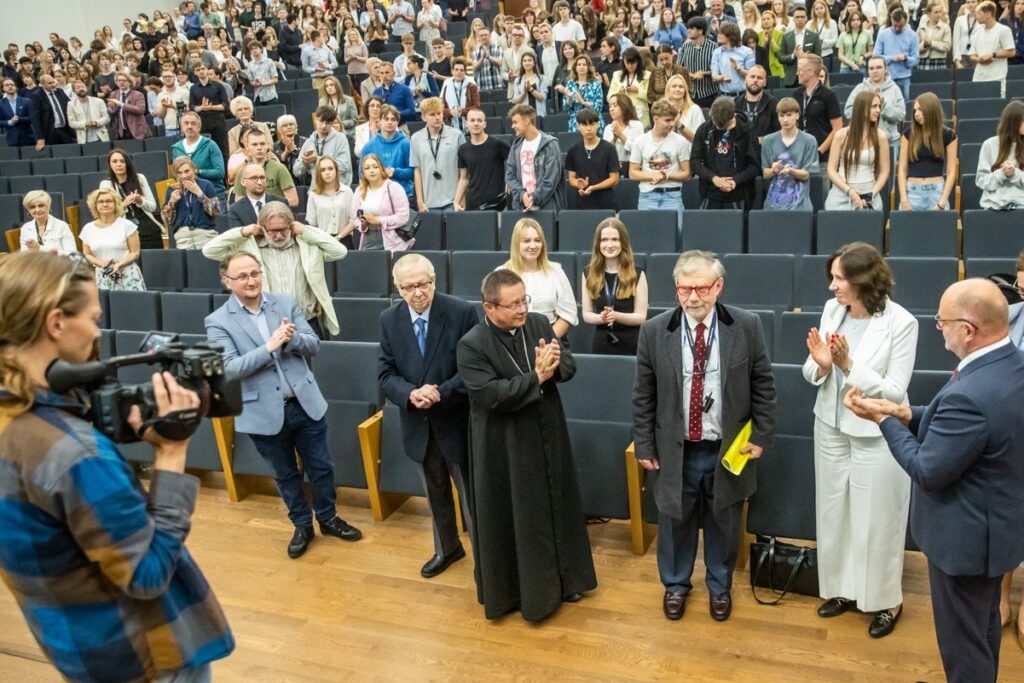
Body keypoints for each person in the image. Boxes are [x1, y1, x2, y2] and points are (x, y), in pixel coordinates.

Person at [0, 252, 234, 682]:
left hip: (77, 646)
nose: (96, 331)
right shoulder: (75, 454)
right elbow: (145, 574)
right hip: (145, 657)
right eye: (92, 318)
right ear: (56, 324)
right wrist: (171, 453)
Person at [844, 278, 1024, 682]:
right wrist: (906, 412)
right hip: (997, 530)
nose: (938, 327)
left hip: (965, 542)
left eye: (942, 322)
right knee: (982, 631)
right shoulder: (1008, 363)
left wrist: (884, 420)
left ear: (968, 330)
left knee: (964, 652)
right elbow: (966, 428)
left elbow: (927, 469)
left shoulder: (973, 392)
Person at [632, 249, 776, 622]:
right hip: (674, 449)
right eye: (685, 289)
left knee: (724, 522)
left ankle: (719, 586)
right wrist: (644, 444)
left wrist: (761, 435)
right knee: (674, 521)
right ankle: (676, 585)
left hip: (727, 447)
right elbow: (643, 394)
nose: (693, 297)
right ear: (676, 289)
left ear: (718, 287)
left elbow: (763, 386)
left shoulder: (747, 326)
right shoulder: (653, 330)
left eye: (701, 288)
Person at [456, 268, 597, 623]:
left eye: (524, 300)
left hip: (547, 431)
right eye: (513, 304)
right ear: (490, 309)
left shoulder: (536, 323)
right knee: (519, 514)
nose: (522, 309)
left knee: (556, 503)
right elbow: (490, 395)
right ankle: (523, 594)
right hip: (504, 444)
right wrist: (536, 377)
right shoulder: (471, 344)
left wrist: (554, 364)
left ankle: (567, 580)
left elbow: (568, 366)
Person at [206, 250, 362, 558]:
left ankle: (328, 518)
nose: (251, 280)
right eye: (242, 276)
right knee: (285, 474)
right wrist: (270, 347)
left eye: (255, 273)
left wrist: (291, 340)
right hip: (261, 410)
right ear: (226, 282)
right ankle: (302, 524)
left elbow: (314, 345)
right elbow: (228, 368)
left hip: (304, 402)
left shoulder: (285, 303)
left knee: (321, 467)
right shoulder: (218, 321)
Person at [802, 243, 918, 638]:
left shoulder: (901, 323)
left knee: (877, 520)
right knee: (833, 513)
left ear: (862, 282)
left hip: (876, 432)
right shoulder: (834, 309)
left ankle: (887, 600)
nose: (832, 286)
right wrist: (820, 367)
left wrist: (849, 366)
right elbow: (814, 367)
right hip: (829, 425)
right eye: (832, 277)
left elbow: (896, 392)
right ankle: (843, 589)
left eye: (840, 279)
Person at [378, 254, 480, 578]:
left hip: (457, 420)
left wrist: (441, 392)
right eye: (409, 287)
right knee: (435, 492)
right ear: (397, 288)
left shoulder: (462, 312)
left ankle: (488, 559)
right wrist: (410, 393)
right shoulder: (389, 320)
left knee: (473, 499)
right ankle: (447, 548)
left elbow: (475, 369)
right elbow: (385, 374)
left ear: (434, 280)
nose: (418, 293)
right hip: (417, 423)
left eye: (423, 284)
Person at [202, 202, 346, 339]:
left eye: (283, 229)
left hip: (306, 322)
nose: (278, 236)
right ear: (262, 228)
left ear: (292, 226)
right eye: (272, 231)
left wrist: (305, 230)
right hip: (267, 324)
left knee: (312, 365)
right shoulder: (247, 247)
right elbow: (209, 251)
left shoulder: (308, 245)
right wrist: (242, 232)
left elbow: (340, 251)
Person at [581, 217, 648, 355]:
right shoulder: (588, 273)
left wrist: (616, 316)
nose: (609, 245)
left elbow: (641, 316)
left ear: (623, 242)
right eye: (604, 240)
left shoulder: (638, 273)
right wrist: (603, 318)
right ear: (598, 243)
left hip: (632, 343)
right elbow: (586, 314)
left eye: (615, 239)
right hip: (601, 342)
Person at [501, 218, 578, 339]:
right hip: (512, 338)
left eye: (537, 240)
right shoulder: (501, 274)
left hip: (551, 338)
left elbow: (568, 315)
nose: (533, 246)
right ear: (516, 244)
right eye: (526, 241)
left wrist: (546, 341)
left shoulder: (556, 271)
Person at [690, 96, 761, 210]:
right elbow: (695, 161)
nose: (717, 127)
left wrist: (735, 181)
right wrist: (714, 178)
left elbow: (755, 166)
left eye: (722, 125)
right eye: (715, 122)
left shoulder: (747, 131)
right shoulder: (704, 129)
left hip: (739, 193)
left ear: (733, 116)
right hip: (710, 192)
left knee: (736, 227)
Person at [629, 98, 691, 229]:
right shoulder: (640, 141)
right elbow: (633, 173)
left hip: (673, 195)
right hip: (647, 196)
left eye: (673, 120)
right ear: (655, 119)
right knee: (646, 234)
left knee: (677, 234)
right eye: (667, 120)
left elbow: (687, 173)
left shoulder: (681, 141)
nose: (671, 124)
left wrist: (666, 176)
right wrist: (653, 176)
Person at [825, 90, 890, 210]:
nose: (878, 111)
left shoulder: (881, 136)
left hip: (869, 197)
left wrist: (871, 194)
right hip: (841, 196)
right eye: (874, 106)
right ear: (862, 108)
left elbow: (884, 172)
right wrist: (849, 191)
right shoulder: (841, 135)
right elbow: (831, 170)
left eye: (879, 106)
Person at [898, 93, 957, 211]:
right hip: (912, 192)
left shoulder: (949, 135)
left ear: (931, 110)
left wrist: (942, 202)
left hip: (937, 192)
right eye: (915, 111)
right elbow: (902, 169)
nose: (917, 114)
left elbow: (951, 171)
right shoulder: (908, 134)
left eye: (920, 109)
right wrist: (904, 199)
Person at [79, 188, 146, 291]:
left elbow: (135, 252)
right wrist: (100, 262)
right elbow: (87, 254)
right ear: (95, 205)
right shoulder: (88, 228)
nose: (105, 204)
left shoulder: (127, 225)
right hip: (103, 276)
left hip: (128, 275)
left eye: (109, 201)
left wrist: (119, 264)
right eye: (101, 201)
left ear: (116, 204)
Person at [762, 96, 821, 210]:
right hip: (773, 206)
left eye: (789, 115)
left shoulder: (809, 141)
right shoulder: (768, 141)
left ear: (797, 115)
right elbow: (765, 174)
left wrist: (791, 171)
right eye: (782, 116)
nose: (785, 120)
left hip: (800, 206)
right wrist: (773, 170)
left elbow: (806, 174)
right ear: (778, 118)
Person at [99, 148, 165, 250]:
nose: (119, 164)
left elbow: (153, 207)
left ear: (127, 163)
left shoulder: (140, 178)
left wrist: (141, 201)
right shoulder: (106, 184)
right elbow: (107, 214)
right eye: (114, 161)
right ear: (110, 165)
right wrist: (124, 204)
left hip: (148, 227)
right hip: (124, 231)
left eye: (122, 161)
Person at [411, 97, 466, 213]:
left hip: (453, 201)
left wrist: (461, 199)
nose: (437, 117)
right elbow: (417, 171)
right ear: (423, 117)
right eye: (432, 114)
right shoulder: (416, 138)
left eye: (439, 113)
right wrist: (420, 202)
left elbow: (464, 172)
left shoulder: (457, 135)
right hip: (428, 203)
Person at [506, 104, 564, 212]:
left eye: (515, 122)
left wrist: (534, 197)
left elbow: (551, 179)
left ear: (526, 121)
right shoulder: (516, 146)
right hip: (521, 207)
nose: (512, 126)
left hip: (547, 208)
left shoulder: (550, 144)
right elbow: (510, 175)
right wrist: (522, 194)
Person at [351, 153, 413, 251]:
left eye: (375, 167)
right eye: (367, 168)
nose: (371, 171)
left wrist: (378, 220)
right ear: (363, 172)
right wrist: (363, 224)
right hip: (369, 239)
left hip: (394, 241)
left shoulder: (394, 188)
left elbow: (403, 217)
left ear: (381, 168)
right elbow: (355, 218)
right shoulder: (359, 191)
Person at [565, 108, 620, 210]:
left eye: (592, 124)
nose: (589, 128)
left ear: (598, 125)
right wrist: (578, 184)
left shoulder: (609, 148)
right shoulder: (573, 150)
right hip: (582, 205)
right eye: (584, 125)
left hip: (607, 204)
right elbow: (571, 178)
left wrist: (593, 187)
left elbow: (614, 179)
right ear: (578, 126)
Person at [455, 108, 510, 211]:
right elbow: (463, 178)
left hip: (496, 203)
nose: (476, 123)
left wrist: (509, 181)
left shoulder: (497, 145)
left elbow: (515, 161)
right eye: (472, 120)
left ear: (485, 124)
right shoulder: (463, 149)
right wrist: (456, 201)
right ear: (467, 124)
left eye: (480, 120)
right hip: (472, 203)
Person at [163, 156, 222, 249]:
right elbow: (166, 219)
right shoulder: (171, 189)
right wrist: (171, 202)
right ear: (175, 174)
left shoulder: (206, 184)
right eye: (179, 173)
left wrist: (200, 193)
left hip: (205, 234)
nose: (184, 176)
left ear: (193, 170)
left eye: (187, 171)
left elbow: (216, 211)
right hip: (183, 237)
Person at [977, 100, 1024, 210]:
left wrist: (1014, 174)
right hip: (994, 207)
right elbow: (981, 180)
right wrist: (1002, 174)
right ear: (1013, 123)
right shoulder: (989, 145)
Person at [231, 128, 298, 206]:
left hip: (276, 213)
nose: (259, 148)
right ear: (247, 147)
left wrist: (267, 204)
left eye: (262, 144)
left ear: (267, 146)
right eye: (254, 144)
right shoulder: (242, 172)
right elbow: (239, 202)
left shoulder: (279, 168)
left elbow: (294, 201)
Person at [795, 54, 843, 161]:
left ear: (811, 72)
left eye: (799, 70)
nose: (797, 73)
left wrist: (819, 151)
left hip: (823, 157)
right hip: (801, 156)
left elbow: (837, 128)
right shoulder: (796, 94)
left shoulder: (828, 95)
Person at [360, 104, 414, 199]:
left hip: (403, 195)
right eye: (386, 119)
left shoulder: (406, 144)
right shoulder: (369, 146)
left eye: (393, 119)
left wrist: (396, 171)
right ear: (380, 121)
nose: (389, 122)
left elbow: (413, 172)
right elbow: (362, 173)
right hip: (377, 196)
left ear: (397, 122)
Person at [293, 106, 353, 187]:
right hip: (317, 191)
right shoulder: (309, 142)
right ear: (315, 120)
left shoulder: (340, 139)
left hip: (337, 190)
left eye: (328, 123)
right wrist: (304, 162)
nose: (324, 126)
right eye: (321, 121)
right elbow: (296, 172)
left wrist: (317, 159)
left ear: (332, 124)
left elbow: (344, 166)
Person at [306, 155, 356, 248]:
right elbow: (312, 224)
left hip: (345, 240)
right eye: (323, 170)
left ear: (336, 171)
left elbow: (353, 220)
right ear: (319, 173)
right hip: (323, 241)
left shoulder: (347, 191)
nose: (327, 173)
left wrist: (338, 237)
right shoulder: (314, 194)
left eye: (330, 169)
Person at [871, 9, 918, 102]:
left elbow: (916, 59)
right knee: (884, 103)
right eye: (895, 25)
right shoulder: (883, 34)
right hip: (886, 77)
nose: (897, 28)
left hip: (904, 77)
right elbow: (875, 56)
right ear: (891, 21)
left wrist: (906, 59)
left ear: (905, 22)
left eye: (900, 26)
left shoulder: (912, 35)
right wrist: (893, 58)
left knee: (904, 104)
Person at [971, 1, 1017, 94]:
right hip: (978, 77)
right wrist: (979, 59)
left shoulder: (1003, 30)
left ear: (988, 14)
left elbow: (1011, 52)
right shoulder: (977, 32)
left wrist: (992, 55)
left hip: (997, 77)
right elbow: (972, 55)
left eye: (979, 13)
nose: (976, 16)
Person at [188, 62, 230, 163]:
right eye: (198, 70)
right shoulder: (193, 88)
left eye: (203, 68)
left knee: (223, 151)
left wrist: (211, 107)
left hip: (218, 122)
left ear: (207, 70)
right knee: (204, 152)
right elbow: (192, 107)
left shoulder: (218, 86)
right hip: (202, 123)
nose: (201, 71)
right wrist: (202, 107)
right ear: (195, 73)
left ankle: (225, 177)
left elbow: (225, 105)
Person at [228, 160, 289, 229]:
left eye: (262, 178)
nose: (260, 182)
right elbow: (237, 237)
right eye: (254, 178)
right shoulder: (236, 209)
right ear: (243, 182)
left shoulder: (281, 203)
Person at [558, 55, 605, 133]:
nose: (581, 67)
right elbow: (566, 107)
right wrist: (569, 98)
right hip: (576, 123)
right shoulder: (570, 84)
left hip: (593, 121)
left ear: (588, 67)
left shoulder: (596, 83)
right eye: (579, 65)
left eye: (584, 65)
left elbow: (599, 107)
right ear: (575, 68)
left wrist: (583, 102)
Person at [735, 64, 779, 147]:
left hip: (764, 150)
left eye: (759, 78)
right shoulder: (736, 103)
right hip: (741, 152)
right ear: (745, 79)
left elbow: (780, 133)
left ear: (765, 82)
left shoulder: (773, 104)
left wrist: (761, 140)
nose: (755, 80)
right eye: (752, 77)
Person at [608, 47, 651, 128]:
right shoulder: (617, 75)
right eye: (627, 63)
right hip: (622, 117)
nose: (630, 66)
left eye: (633, 63)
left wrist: (638, 90)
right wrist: (618, 95)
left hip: (641, 117)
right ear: (623, 61)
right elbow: (609, 97)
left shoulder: (647, 75)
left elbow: (650, 98)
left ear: (638, 61)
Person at [28, 73, 74, 150]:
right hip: (50, 133)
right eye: (49, 83)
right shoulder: (36, 96)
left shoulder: (60, 92)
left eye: (53, 82)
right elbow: (35, 119)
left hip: (65, 130)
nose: (53, 85)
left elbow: (70, 105)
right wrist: (40, 138)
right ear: (42, 85)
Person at [779, 6, 823, 86]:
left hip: (809, 77)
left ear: (806, 18)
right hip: (791, 78)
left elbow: (819, 58)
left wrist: (807, 56)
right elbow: (781, 58)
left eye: (802, 17)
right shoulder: (786, 36)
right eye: (797, 17)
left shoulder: (814, 36)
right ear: (793, 19)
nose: (800, 19)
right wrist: (793, 56)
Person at [604, 92, 646, 172]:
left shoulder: (637, 125)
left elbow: (639, 151)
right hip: (612, 168)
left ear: (624, 106)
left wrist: (621, 136)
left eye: (615, 105)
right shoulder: (608, 128)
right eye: (610, 106)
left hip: (632, 168)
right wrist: (614, 139)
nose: (611, 109)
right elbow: (604, 154)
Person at [712, 24, 755, 98]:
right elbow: (714, 76)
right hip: (724, 96)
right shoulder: (717, 52)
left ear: (731, 36)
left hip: (742, 95)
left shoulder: (747, 51)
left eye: (722, 33)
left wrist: (738, 69)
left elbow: (751, 74)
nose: (718, 35)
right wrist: (722, 78)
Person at [439, 57, 478, 133]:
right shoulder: (447, 84)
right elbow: (441, 109)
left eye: (461, 70)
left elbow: (477, 106)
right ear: (452, 71)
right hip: (451, 126)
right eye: (456, 70)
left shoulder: (471, 85)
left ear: (465, 72)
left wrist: (463, 111)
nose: (459, 72)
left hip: (469, 126)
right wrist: (450, 112)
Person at [66, 78, 110, 144]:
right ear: (74, 91)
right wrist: (85, 124)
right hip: (84, 140)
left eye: (83, 87)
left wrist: (96, 122)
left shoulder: (99, 101)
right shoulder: (71, 104)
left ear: (86, 88)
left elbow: (107, 118)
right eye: (78, 87)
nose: (81, 89)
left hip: (101, 137)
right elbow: (71, 123)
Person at [302, 30, 339, 98]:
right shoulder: (306, 51)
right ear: (317, 38)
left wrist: (327, 66)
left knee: (334, 100)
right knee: (322, 103)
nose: (324, 39)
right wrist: (315, 69)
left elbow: (335, 63)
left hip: (330, 78)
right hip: (317, 80)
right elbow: (304, 67)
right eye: (322, 37)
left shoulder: (326, 49)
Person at [0, 76, 34, 146]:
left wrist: (20, 119)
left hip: (28, 138)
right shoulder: (1, 103)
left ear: (16, 87)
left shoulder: (26, 101)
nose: (10, 86)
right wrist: (10, 122)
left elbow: (32, 117)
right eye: (7, 85)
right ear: (3, 88)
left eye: (12, 85)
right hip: (12, 139)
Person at [917, 2, 952, 70]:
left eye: (940, 12)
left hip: (938, 61)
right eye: (936, 12)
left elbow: (947, 46)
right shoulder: (921, 28)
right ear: (929, 14)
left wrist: (932, 43)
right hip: (923, 60)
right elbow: (915, 47)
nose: (938, 14)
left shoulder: (945, 28)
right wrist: (924, 45)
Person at [470, 26, 504, 93]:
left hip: (497, 84)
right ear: (478, 38)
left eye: (486, 35)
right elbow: (474, 68)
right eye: (481, 35)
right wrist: (482, 58)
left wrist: (488, 57)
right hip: (481, 86)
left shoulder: (498, 48)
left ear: (490, 36)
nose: (484, 37)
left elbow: (501, 63)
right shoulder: (475, 52)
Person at [810, 0, 840, 72]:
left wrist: (823, 42)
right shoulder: (809, 23)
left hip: (827, 54)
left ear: (825, 9)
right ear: (814, 10)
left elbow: (835, 39)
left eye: (821, 8)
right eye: (817, 9)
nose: (819, 10)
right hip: (814, 56)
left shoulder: (832, 22)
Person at [953, 0, 980, 69]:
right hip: (963, 56)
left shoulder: (982, 20)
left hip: (977, 56)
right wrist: (957, 61)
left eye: (973, 2)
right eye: (968, 2)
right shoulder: (960, 20)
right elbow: (956, 41)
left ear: (979, 3)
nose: (970, 5)